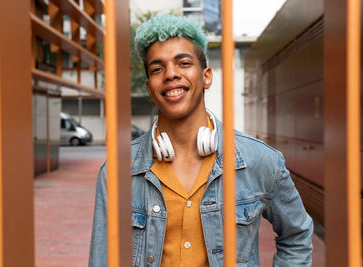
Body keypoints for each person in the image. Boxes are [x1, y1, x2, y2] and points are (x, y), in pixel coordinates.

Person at [89, 14, 313, 267]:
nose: (171, 74)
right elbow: (102, 259)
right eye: (157, 69)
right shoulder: (118, 172)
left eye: (183, 63)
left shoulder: (260, 161)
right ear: (150, 87)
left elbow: (297, 236)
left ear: (206, 76)